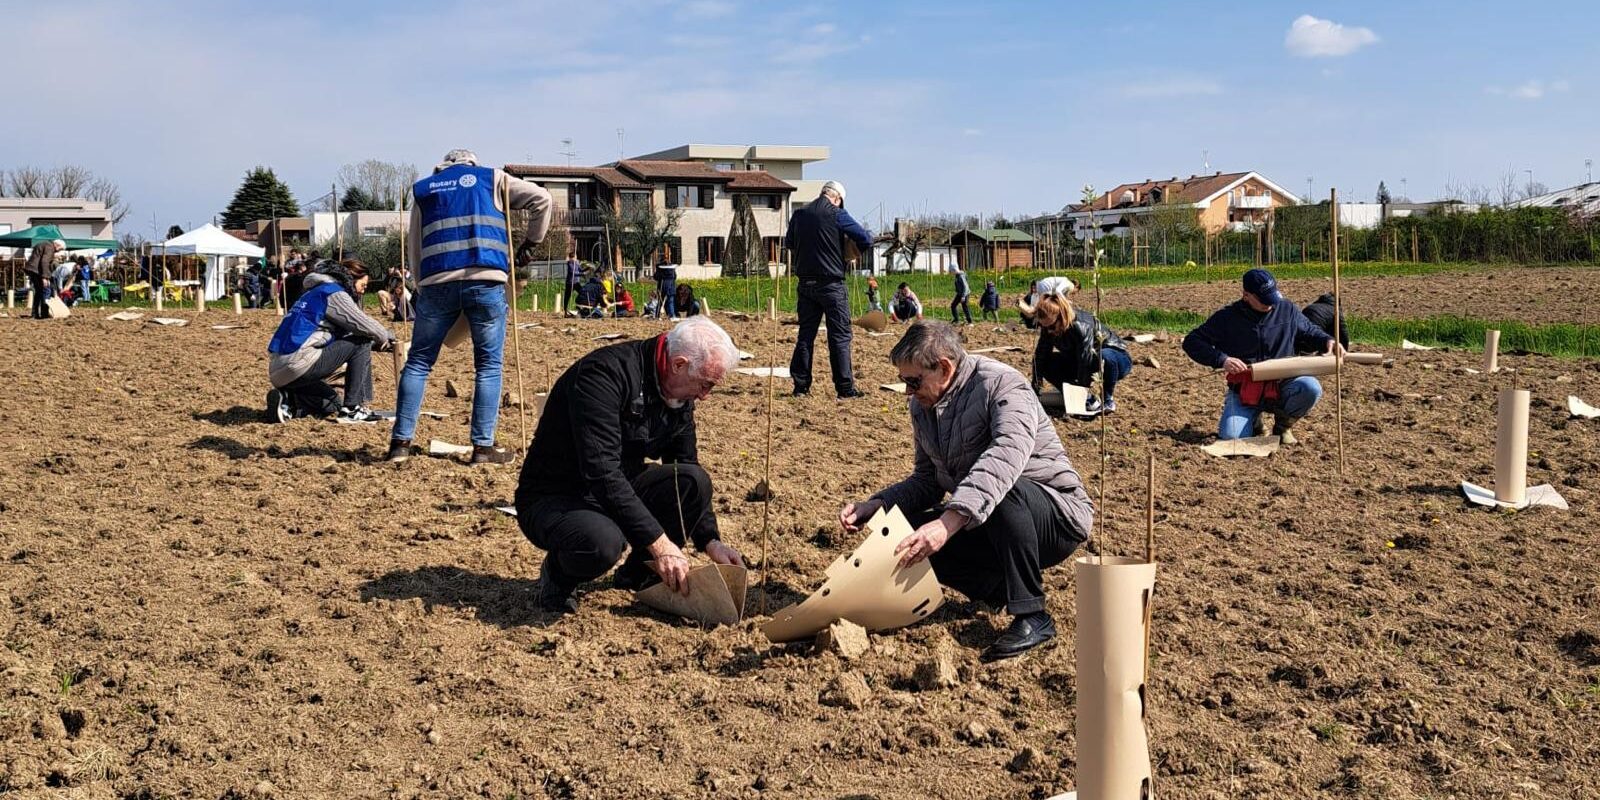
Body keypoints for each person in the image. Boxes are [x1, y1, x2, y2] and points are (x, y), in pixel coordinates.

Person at [840, 321, 1093, 661]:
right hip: (987, 520)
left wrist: (947, 524)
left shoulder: (1002, 385)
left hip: (1055, 518)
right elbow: (927, 480)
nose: (908, 392)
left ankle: (1033, 614)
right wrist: (878, 504)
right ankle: (997, 590)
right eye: (904, 382)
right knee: (908, 533)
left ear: (944, 367)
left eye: (913, 381)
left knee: (1004, 490)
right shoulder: (923, 406)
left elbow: (1003, 459)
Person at [514, 316, 747, 613]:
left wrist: (710, 540)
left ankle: (639, 573)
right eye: (705, 384)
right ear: (678, 364)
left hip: (619, 486)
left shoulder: (678, 391)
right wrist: (661, 545)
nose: (704, 395)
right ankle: (558, 578)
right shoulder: (602, 376)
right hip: (560, 496)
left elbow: (685, 462)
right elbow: (601, 473)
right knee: (602, 543)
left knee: (692, 482)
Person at [387, 149, 553, 465]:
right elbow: (542, 199)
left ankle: (400, 444)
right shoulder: (493, 179)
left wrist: (420, 286)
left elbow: (415, 245)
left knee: (419, 362)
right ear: (472, 163)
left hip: (437, 281)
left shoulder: (425, 189)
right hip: (486, 279)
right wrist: (529, 246)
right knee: (488, 365)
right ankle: (482, 448)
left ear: (443, 165)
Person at [1182, 268, 1343, 444]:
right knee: (1231, 439)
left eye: (1272, 297)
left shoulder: (1286, 309)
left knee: (1310, 387)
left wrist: (1327, 340)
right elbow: (1192, 341)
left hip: (1283, 383)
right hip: (1245, 390)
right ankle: (1255, 421)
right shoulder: (1227, 318)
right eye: (1263, 300)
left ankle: (1282, 427)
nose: (1270, 304)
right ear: (1246, 295)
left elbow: (1310, 330)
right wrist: (1222, 359)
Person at [266, 260, 396, 424]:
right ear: (351, 279)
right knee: (362, 341)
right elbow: (367, 327)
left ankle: (289, 402)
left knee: (333, 404)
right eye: (363, 285)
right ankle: (352, 410)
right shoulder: (334, 293)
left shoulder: (313, 293)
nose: (364, 290)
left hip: (279, 369)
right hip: (297, 363)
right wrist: (389, 339)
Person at [787, 180, 873, 398]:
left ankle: (800, 387)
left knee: (806, 335)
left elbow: (789, 243)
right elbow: (865, 238)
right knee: (840, 336)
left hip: (805, 283)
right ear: (838, 198)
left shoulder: (799, 214)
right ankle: (844, 389)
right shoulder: (836, 214)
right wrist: (850, 252)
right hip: (831, 284)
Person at [1029, 292, 1132, 414]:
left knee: (1104, 356)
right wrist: (1036, 382)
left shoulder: (1081, 326)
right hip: (1080, 360)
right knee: (1047, 362)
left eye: (1051, 327)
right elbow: (1041, 354)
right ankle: (1080, 397)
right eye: (1044, 327)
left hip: (1115, 361)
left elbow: (1085, 360)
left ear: (1061, 317)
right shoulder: (1048, 328)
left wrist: (1082, 392)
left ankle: (1107, 400)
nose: (1048, 331)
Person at [24, 239, 62, 319]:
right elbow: (44, 262)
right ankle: (43, 313)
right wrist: (45, 277)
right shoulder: (50, 247)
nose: (58, 251)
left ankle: (35, 314)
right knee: (45, 290)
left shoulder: (44, 244)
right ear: (57, 245)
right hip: (36, 270)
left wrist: (46, 277)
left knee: (39, 292)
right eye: (60, 249)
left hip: (32, 269)